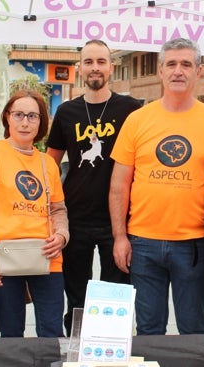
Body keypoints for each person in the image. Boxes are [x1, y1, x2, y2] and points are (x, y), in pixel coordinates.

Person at [109, 38, 204, 336]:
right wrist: (119, 237)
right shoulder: (137, 120)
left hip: (194, 245)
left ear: (198, 71)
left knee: (193, 330)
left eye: (186, 64)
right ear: (161, 71)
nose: (179, 71)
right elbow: (119, 187)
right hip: (143, 243)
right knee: (149, 330)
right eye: (172, 64)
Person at [46, 39, 142, 336]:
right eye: (89, 62)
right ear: (79, 69)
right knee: (76, 294)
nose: (95, 67)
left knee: (116, 293)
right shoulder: (66, 112)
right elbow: (50, 165)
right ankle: (75, 347)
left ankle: (111, 347)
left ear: (111, 67)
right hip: (76, 216)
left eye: (101, 61)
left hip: (120, 219)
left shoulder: (131, 109)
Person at [0, 89, 69, 338]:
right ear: (7, 117)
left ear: (41, 122)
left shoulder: (48, 164)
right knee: (12, 334)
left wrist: (62, 235)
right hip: (4, 258)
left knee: (52, 332)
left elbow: (58, 209)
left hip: (47, 255)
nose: (25, 122)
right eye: (19, 115)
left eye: (33, 116)